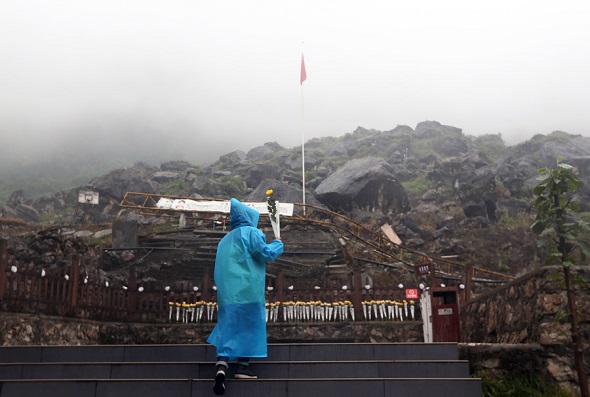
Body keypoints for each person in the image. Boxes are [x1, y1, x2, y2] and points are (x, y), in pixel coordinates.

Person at [207, 198, 284, 395]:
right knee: (250, 325)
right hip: (248, 289)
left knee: (228, 325)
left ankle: (222, 366)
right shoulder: (251, 232)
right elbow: (264, 253)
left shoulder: (224, 240)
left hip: (227, 293)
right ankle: (243, 367)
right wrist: (277, 245)